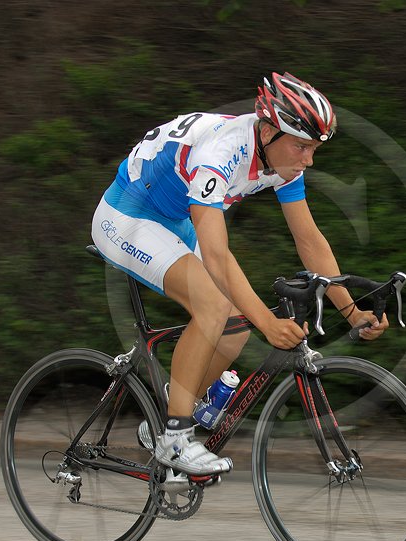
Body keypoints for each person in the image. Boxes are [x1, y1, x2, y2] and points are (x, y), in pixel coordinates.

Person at [91, 72, 389, 476]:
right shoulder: (221, 152)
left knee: (234, 327)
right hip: (128, 215)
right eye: (302, 147)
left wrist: (351, 311)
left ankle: (167, 411)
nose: (309, 160)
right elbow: (216, 255)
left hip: (176, 220)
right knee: (214, 308)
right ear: (267, 131)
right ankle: (175, 439)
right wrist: (268, 322)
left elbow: (309, 240)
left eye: (314, 149)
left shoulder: (282, 160)